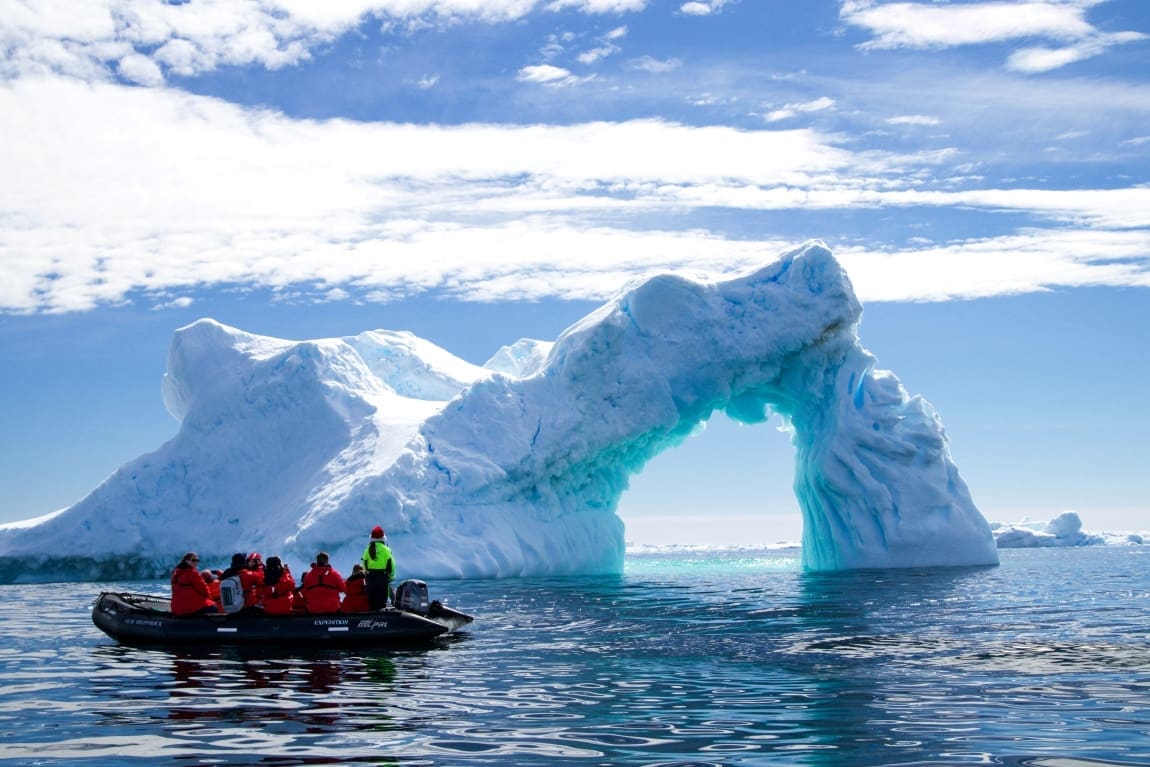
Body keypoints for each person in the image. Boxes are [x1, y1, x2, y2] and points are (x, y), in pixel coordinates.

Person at [170, 552, 216, 616]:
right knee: (214, 607)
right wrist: (210, 600)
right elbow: (203, 589)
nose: (196, 562)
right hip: (191, 608)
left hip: (176, 608)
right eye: (193, 560)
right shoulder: (192, 573)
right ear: (186, 561)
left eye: (197, 560)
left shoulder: (175, 574)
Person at [361, 525, 394, 610]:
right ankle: (382, 619)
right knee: (381, 601)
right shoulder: (386, 550)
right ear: (383, 538)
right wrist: (390, 577)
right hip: (382, 577)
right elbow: (392, 565)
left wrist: (366, 576)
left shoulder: (367, 549)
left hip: (370, 577)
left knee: (371, 600)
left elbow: (364, 564)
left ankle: (370, 618)